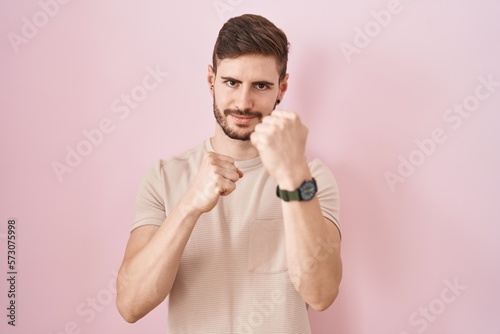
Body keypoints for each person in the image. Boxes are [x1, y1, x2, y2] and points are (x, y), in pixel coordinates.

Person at [116, 13, 342, 334]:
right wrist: (190, 204)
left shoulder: (312, 179)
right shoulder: (164, 177)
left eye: (261, 86)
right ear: (211, 80)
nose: (243, 102)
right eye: (231, 82)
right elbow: (129, 303)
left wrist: (294, 178)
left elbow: (321, 294)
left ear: (282, 88)